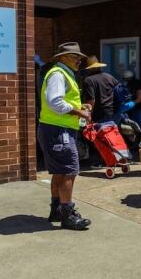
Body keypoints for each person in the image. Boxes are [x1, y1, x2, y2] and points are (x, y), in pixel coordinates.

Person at [38, 42, 92, 230]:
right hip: (59, 130)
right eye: (74, 56)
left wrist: (79, 108)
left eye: (79, 57)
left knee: (60, 172)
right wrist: (79, 112)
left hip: (54, 129)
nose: (79, 60)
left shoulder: (60, 73)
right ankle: (67, 215)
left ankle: (57, 209)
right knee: (69, 170)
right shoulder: (59, 74)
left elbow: (58, 102)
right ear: (62, 57)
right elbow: (55, 102)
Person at [82, 56, 119, 123]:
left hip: (99, 115)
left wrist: (89, 115)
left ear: (89, 68)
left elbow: (91, 100)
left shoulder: (88, 80)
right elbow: (119, 89)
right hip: (113, 112)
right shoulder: (109, 76)